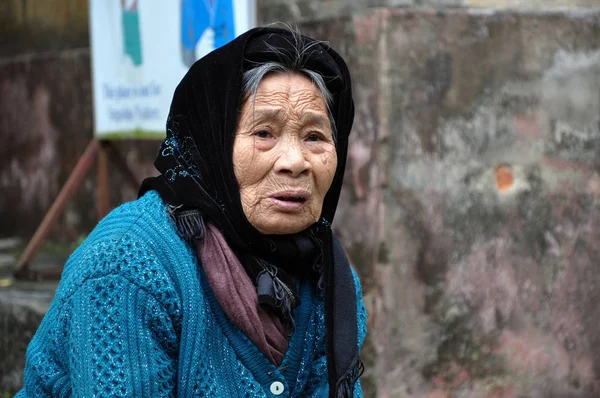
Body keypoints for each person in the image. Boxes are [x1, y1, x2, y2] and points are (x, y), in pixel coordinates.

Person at [17, 26, 367, 397]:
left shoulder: (326, 275)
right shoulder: (127, 266)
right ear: (211, 142)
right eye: (264, 133)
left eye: (315, 137)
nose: (295, 162)